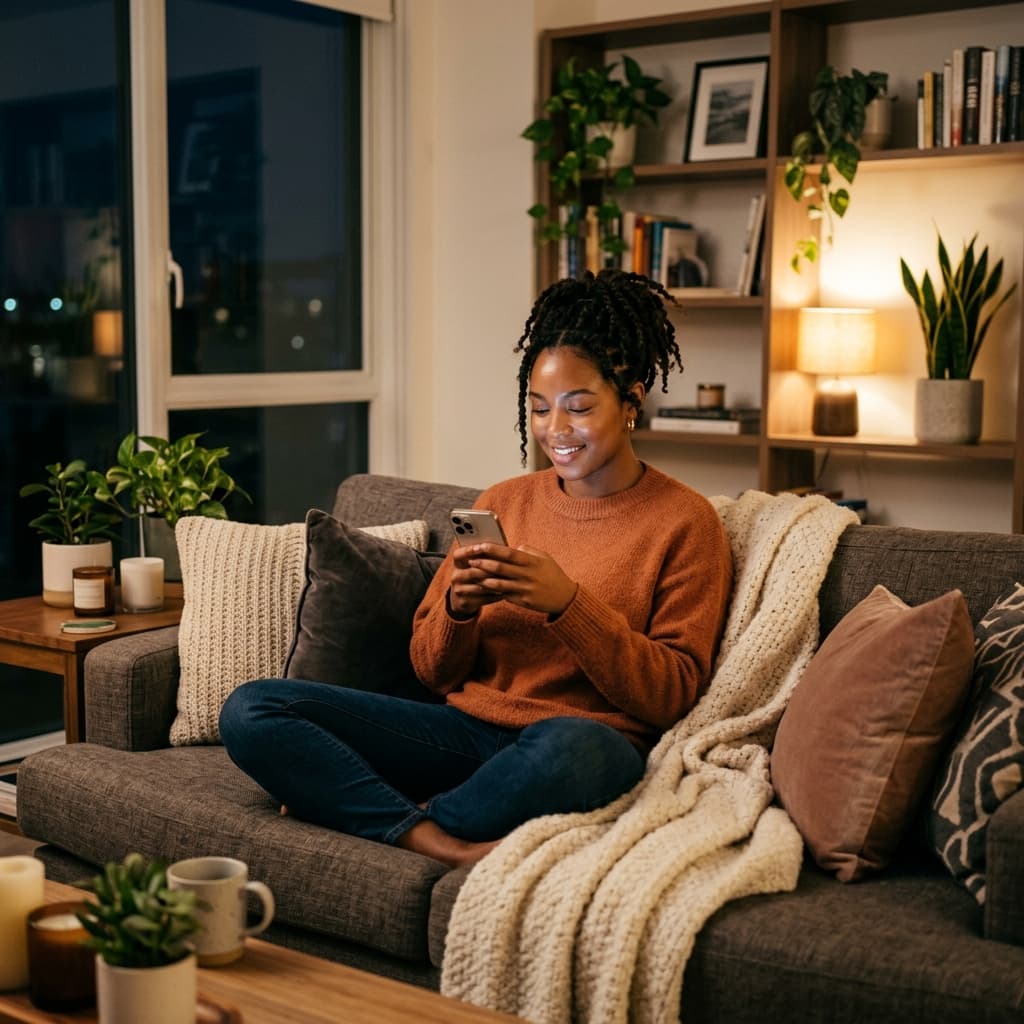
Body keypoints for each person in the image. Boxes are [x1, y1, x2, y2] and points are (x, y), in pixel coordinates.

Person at [219, 269, 733, 868]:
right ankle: (430, 836)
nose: (556, 430)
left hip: (572, 744)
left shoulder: (686, 522)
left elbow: (670, 695)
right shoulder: (504, 501)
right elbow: (431, 672)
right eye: (539, 409)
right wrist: (458, 610)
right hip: (460, 735)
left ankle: (380, 812)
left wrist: (568, 605)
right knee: (252, 710)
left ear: (632, 401)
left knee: (587, 751)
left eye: (579, 407)